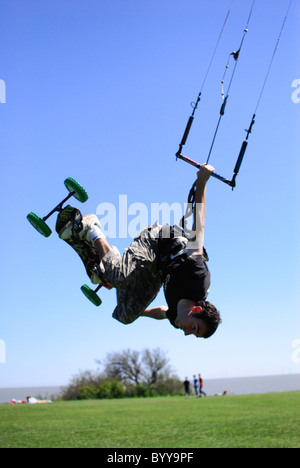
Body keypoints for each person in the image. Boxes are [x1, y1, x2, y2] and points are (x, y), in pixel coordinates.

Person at [57, 164, 221, 339]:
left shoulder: (177, 317)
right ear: (196, 309)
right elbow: (198, 228)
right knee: (118, 275)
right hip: (159, 240)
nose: (187, 333)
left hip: (157, 270)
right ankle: (92, 229)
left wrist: (140, 312)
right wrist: (202, 181)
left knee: (125, 315)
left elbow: (162, 312)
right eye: (194, 328)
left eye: (193, 334)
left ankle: (110, 267)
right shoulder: (198, 279)